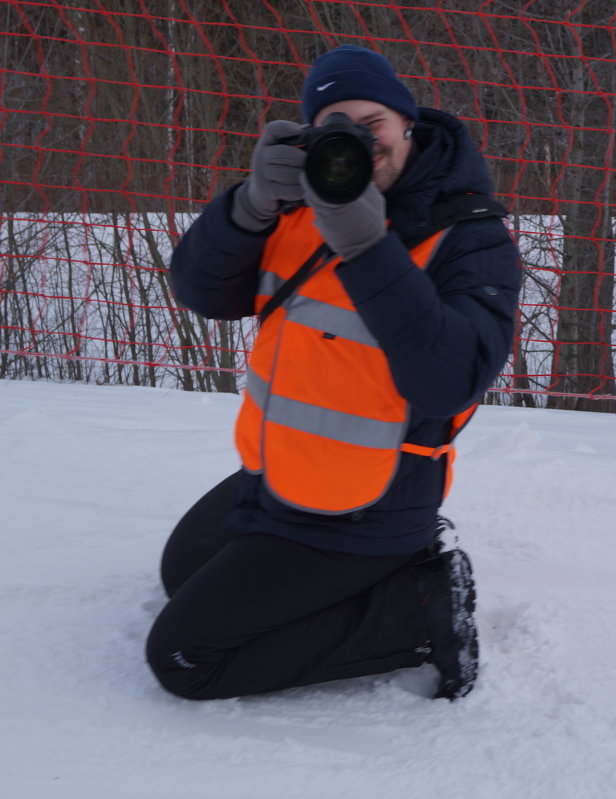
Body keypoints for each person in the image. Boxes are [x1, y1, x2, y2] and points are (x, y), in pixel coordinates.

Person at [145, 45, 520, 701]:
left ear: (407, 122)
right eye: (335, 124)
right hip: (280, 473)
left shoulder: (470, 235)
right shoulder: (297, 208)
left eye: (371, 121)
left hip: (371, 502)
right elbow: (200, 290)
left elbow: (449, 378)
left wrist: (366, 246)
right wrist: (251, 203)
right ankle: (373, 578)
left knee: (182, 655)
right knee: (180, 571)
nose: (357, 139)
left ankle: (413, 609)